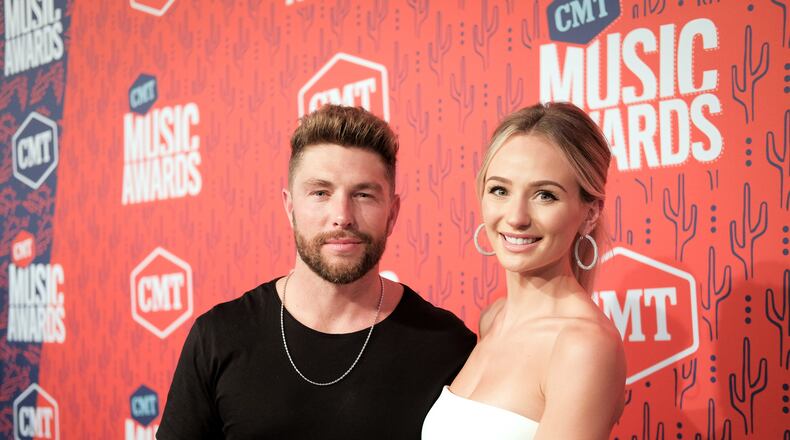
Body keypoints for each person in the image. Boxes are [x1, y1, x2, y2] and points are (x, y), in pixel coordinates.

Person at [157, 105, 476, 439]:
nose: (342, 216)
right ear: (290, 208)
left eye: (363, 195)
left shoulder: (447, 345)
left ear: (392, 213)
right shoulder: (219, 337)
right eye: (320, 193)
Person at [422, 102, 626, 439]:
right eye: (500, 190)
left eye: (545, 195)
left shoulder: (583, 347)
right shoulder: (492, 319)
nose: (516, 217)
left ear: (590, 213)